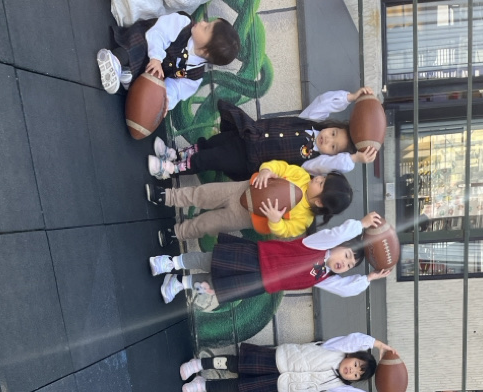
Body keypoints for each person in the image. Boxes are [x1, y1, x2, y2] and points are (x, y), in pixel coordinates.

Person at [150, 212, 392, 306]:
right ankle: (172, 263)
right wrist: (360, 225)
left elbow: (344, 289)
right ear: (338, 246)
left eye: (349, 265)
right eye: (346, 255)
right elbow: (336, 234)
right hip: (256, 258)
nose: (345, 263)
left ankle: (178, 283)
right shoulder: (317, 246)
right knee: (210, 260)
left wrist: (368, 278)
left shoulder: (323, 277)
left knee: (214, 284)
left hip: (259, 283)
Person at [148, 86, 380, 182]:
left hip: (249, 160)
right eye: (333, 133)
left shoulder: (314, 162)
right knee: (211, 144)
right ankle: (175, 154)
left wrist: (354, 158)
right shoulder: (311, 122)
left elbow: (333, 165)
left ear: (332, 155)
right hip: (247, 135)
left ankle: (170, 170)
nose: (328, 139)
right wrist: (351, 97)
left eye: (333, 146)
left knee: (210, 159)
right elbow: (324, 102)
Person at [146, 163, 352, 243]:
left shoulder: (304, 219)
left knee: (208, 224)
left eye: (322, 184)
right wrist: (267, 171)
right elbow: (280, 167)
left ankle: (178, 233)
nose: (318, 178)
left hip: (244, 217)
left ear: (320, 202)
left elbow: (285, 232)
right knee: (202, 193)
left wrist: (276, 221)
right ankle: (168, 196)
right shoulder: (301, 176)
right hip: (241, 189)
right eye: (323, 177)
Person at [177, 334, 399, 392]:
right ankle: (199, 364)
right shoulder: (337, 348)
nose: (353, 371)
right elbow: (354, 339)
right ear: (353, 355)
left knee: (240, 387)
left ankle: (202, 385)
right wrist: (378, 345)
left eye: (358, 374)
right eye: (357, 365)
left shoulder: (338, 384)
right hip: (278, 360)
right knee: (238, 363)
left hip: (282, 385)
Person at [96, 14, 240, 113]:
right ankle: (115, 59)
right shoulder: (183, 24)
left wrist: (165, 100)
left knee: (155, 80)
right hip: (148, 41)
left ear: (206, 52)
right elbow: (158, 33)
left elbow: (176, 89)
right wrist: (156, 58)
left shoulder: (195, 74)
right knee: (138, 48)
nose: (202, 22)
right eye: (208, 22)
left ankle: (127, 73)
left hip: (150, 68)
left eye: (206, 28)